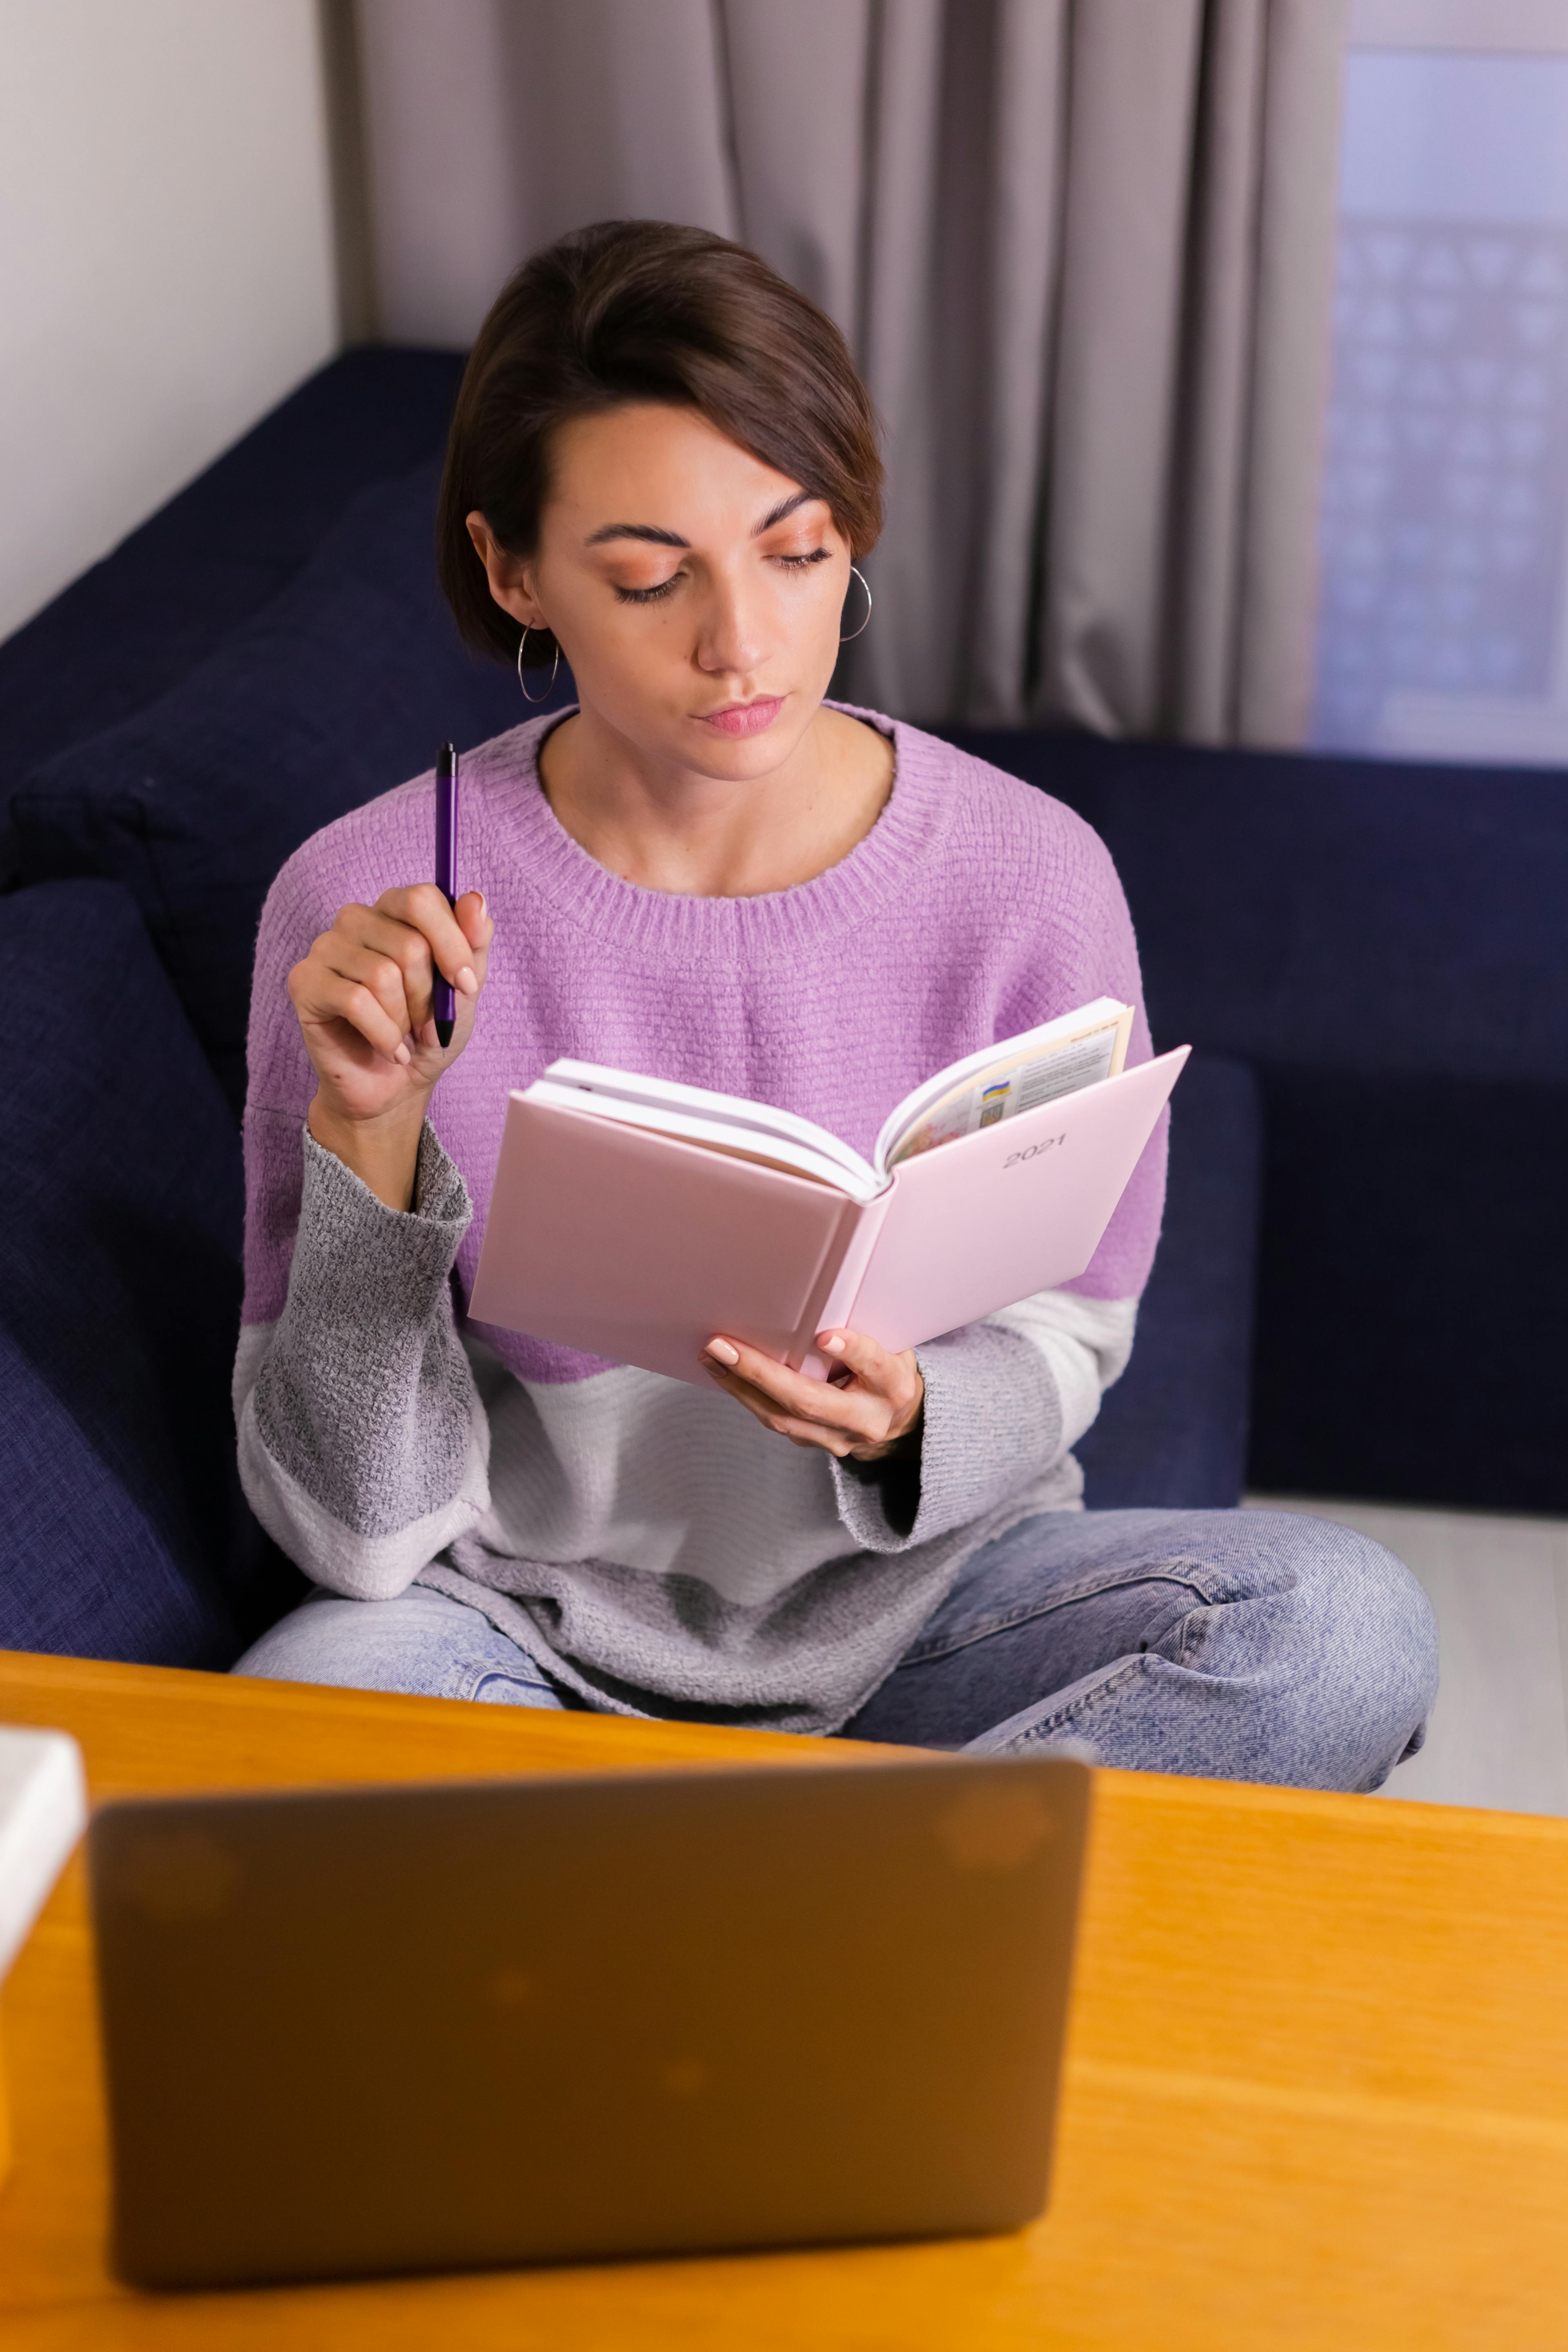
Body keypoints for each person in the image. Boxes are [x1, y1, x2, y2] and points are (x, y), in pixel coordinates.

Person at [233, 219, 1437, 1789]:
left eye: (796, 554)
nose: (744, 644)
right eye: (652, 579)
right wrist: (364, 1137)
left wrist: (915, 1416)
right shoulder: (369, 903)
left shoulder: (1030, 874)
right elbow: (354, 1532)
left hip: (936, 1612)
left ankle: (710, 1908)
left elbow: (1075, 1325)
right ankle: (877, 1911)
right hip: (515, 1638)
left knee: (1341, 1630)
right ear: (512, 570)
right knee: (300, 1727)